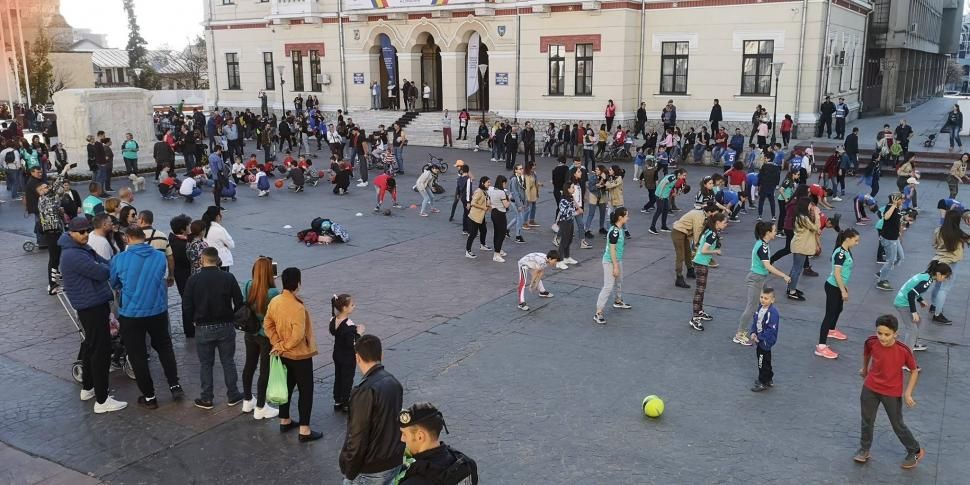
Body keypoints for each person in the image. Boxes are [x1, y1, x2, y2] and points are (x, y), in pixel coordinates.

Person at [58, 217, 128, 413]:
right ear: (71, 232)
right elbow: (102, 272)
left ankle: (88, 387)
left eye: (87, 230)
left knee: (91, 346)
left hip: (92, 304)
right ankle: (102, 400)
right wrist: (108, 268)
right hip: (91, 306)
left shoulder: (81, 249)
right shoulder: (74, 255)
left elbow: (106, 262)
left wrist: (108, 265)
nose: (85, 234)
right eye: (81, 232)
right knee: (100, 351)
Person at [110, 227, 184, 410]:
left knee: (138, 355)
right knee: (165, 347)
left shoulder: (119, 259)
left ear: (127, 239)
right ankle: (174, 385)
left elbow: (114, 283)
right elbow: (162, 276)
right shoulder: (159, 257)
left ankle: (150, 396)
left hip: (131, 313)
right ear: (144, 239)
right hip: (157, 309)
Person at [853, 315, 924, 469]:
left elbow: (914, 371)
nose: (882, 337)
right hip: (871, 387)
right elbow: (867, 353)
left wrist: (907, 393)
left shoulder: (903, 350)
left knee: (897, 424)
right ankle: (865, 449)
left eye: (887, 334)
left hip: (891, 392)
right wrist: (864, 368)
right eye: (879, 333)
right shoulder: (871, 341)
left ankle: (915, 450)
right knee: (867, 420)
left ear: (895, 334)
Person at [264, 267, 322, 442]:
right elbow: (298, 335)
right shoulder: (297, 307)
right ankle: (304, 429)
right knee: (306, 391)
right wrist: (285, 345)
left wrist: (277, 344)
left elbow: (268, 324)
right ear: (298, 283)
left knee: (286, 386)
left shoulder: (275, 301)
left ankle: (285, 420)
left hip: (283, 354)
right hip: (300, 356)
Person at [182, 247, 245, 409]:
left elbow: (187, 306)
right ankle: (233, 394)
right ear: (217, 260)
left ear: (202, 259)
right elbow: (239, 302)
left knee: (205, 364)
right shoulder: (228, 277)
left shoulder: (193, 280)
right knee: (228, 361)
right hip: (225, 325)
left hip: (203, 327)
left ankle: (207, 398)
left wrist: (193, 321)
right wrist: (233, 318)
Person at [339, 334, 405, 483]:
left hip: (372, 468)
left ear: (357, 358)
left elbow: (357, 435)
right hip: (393, 460)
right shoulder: (394, 382)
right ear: (381, 355)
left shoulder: (364, 390)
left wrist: (348, 469)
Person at [734, 221, 791, 345]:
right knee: (752, 307)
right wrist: (783, 275)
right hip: (756, 279)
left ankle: (754, 330)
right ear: (768, 233)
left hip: (759, 278)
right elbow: (767, 266)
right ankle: (739, 334)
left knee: (757, 306)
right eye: (774, 230)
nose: (776, 232)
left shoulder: (762, 244)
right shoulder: (763, 246)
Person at [397, 402, 479, 484]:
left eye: (404, 434)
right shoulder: (468, 464)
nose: (402, 439)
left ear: (420, 436)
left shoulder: (414, 481)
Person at [241, 257, 281, 420]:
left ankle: (247, 400)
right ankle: (261, 407)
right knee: (265, 370)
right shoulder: (273, 293)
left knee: (249, 365)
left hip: (250, 332)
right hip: (266, 336)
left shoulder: (248, 285)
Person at [815, 228, 861, 360]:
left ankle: (831, 330)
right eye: (856, 240)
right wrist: (842, 290)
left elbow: (844, 273)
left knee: (838, 309)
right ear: (848, 239)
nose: (857, 243)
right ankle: (821, 346)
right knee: (829, 314)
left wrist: (845, 287)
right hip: (833, 287)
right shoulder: (840, 253)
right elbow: (836, 273)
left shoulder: (847, 251)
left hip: (839, 286)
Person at [894, 262, 952, 353]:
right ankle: (906, 356)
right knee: (912, 330)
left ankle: (913, 344)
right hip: (902, 304)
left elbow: (913, 289)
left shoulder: (925, 275)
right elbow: (911, 294)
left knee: (918, 321)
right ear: (938, 274)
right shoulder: (927, 281)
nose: (944, 279)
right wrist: (913, 312)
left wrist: (920, 299)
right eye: (945, 277)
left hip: (904, 301)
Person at [928, 209, 970, 324]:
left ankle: (934, 305)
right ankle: (938, 314)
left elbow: (934, 244)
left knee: (937, 286)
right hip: (950, 264)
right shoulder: (959, 234)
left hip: (937, 261)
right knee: (944, 289)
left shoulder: (938, 230)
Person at [689, 213, 728, 331]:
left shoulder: (710, 231)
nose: (726, 224)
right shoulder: (712, 234)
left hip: (701, 262)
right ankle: (695, 318)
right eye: (725, 222)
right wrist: (716, 251)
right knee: (699, 291)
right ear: (718, 223)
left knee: (701, 289)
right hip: (701, 263)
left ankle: (699, 312)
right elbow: (704, 250)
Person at [593, 208, 631, 325]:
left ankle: (618, 301)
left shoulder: (620, 229)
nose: (628, 217)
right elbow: (612, 250)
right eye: (626, 215)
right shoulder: (614, 231)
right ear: (620, 217)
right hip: (610, 261)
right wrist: (615, 266)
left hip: (617, 260)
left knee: (619, 281)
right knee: (608, 286)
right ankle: (598, 312)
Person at [671, 203, 721, 289]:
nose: (715, 216)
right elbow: (697, 233)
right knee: (680, 256)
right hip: (678, 232)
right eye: (715, 214)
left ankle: (690, 271)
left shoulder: (704, 215)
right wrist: (699, 246)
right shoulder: (699, 217)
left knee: (688, 253)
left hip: (685, 233)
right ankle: (679, 278)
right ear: (709, 212)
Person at [330, 294, 364, 413]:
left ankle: (337, 399)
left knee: (338, 376)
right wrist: (359, 332)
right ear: (344, 308)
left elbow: (333, 331)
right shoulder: (349, 325)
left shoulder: (334, 320)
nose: (354, 306)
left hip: (337, 354)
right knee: (347, 378)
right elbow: (353, 343)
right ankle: (346, 402)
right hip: (347, 357)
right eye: (352, 305)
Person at [748, 288, 780, 392]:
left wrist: (759, 337)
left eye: (766, 298)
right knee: (767, 360)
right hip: (760, 339)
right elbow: (755, 321)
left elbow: (771, 329)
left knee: (761, 362)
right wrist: (753, 332)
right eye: (762, 297)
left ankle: (762, 382)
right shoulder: (759, 308)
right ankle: (769, 378)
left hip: (765, 341)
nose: (763, 300)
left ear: (772, 300)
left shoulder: (773, 313)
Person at [168, 214, 193, 335]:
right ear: (183, 229)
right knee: (187, 301)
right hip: (184, 276)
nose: (191, 227)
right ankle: (190, 329)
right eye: (189, 225)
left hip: (181, 275)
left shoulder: (175, 240)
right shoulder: (181, 245)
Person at [876, 193, 905, 291]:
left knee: (900, 257)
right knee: (890, 261)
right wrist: (893, 205)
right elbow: (886, 217)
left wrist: (899, 232)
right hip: (889, 239)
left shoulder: (897, 208)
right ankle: (881, 281)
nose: (903, 200)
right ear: (896, 199)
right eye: (902, 199)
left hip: (895, 237)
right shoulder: (890, 207)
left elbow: (896, 221)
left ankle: (882, 271)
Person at [464, 177, 491, 259]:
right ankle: (468, 251)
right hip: (474, 216)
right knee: (473, 234)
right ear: (483, 183)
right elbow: (473, 203)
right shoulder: (479, 191)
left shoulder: (485, 191)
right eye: (488, 182)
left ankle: (482, 245)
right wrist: (483, 208)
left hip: (481, 216)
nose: (489, 184)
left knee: (484, 230)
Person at [202, 206, 234, 271]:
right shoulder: (220, 230)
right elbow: (231, 245)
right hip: (222, 260)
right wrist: (224, 244)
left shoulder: (204, 227)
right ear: (217, 216)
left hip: (207, 259)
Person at [488, 175, 511, 262]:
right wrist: (510, 198)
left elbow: (489, 201)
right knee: (501, 233)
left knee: (496, 232)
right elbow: (506, 205)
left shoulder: (491, 189)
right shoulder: (501, 193)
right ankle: (496, 254)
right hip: (500, 214)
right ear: (503, 183)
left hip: (494, 212)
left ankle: (498, 249)